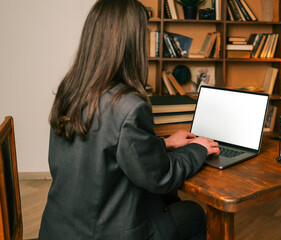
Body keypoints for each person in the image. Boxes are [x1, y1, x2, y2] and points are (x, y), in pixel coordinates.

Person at [38, 0, 219, 239]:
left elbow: (104, 150)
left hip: (59, 228)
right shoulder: (127, 106)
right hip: (104, 233)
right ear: (132, 44)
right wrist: (197, 149)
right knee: (193, 213)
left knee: (165, 201)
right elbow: (161, 177)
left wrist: (165, 143)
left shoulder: (70, 91)